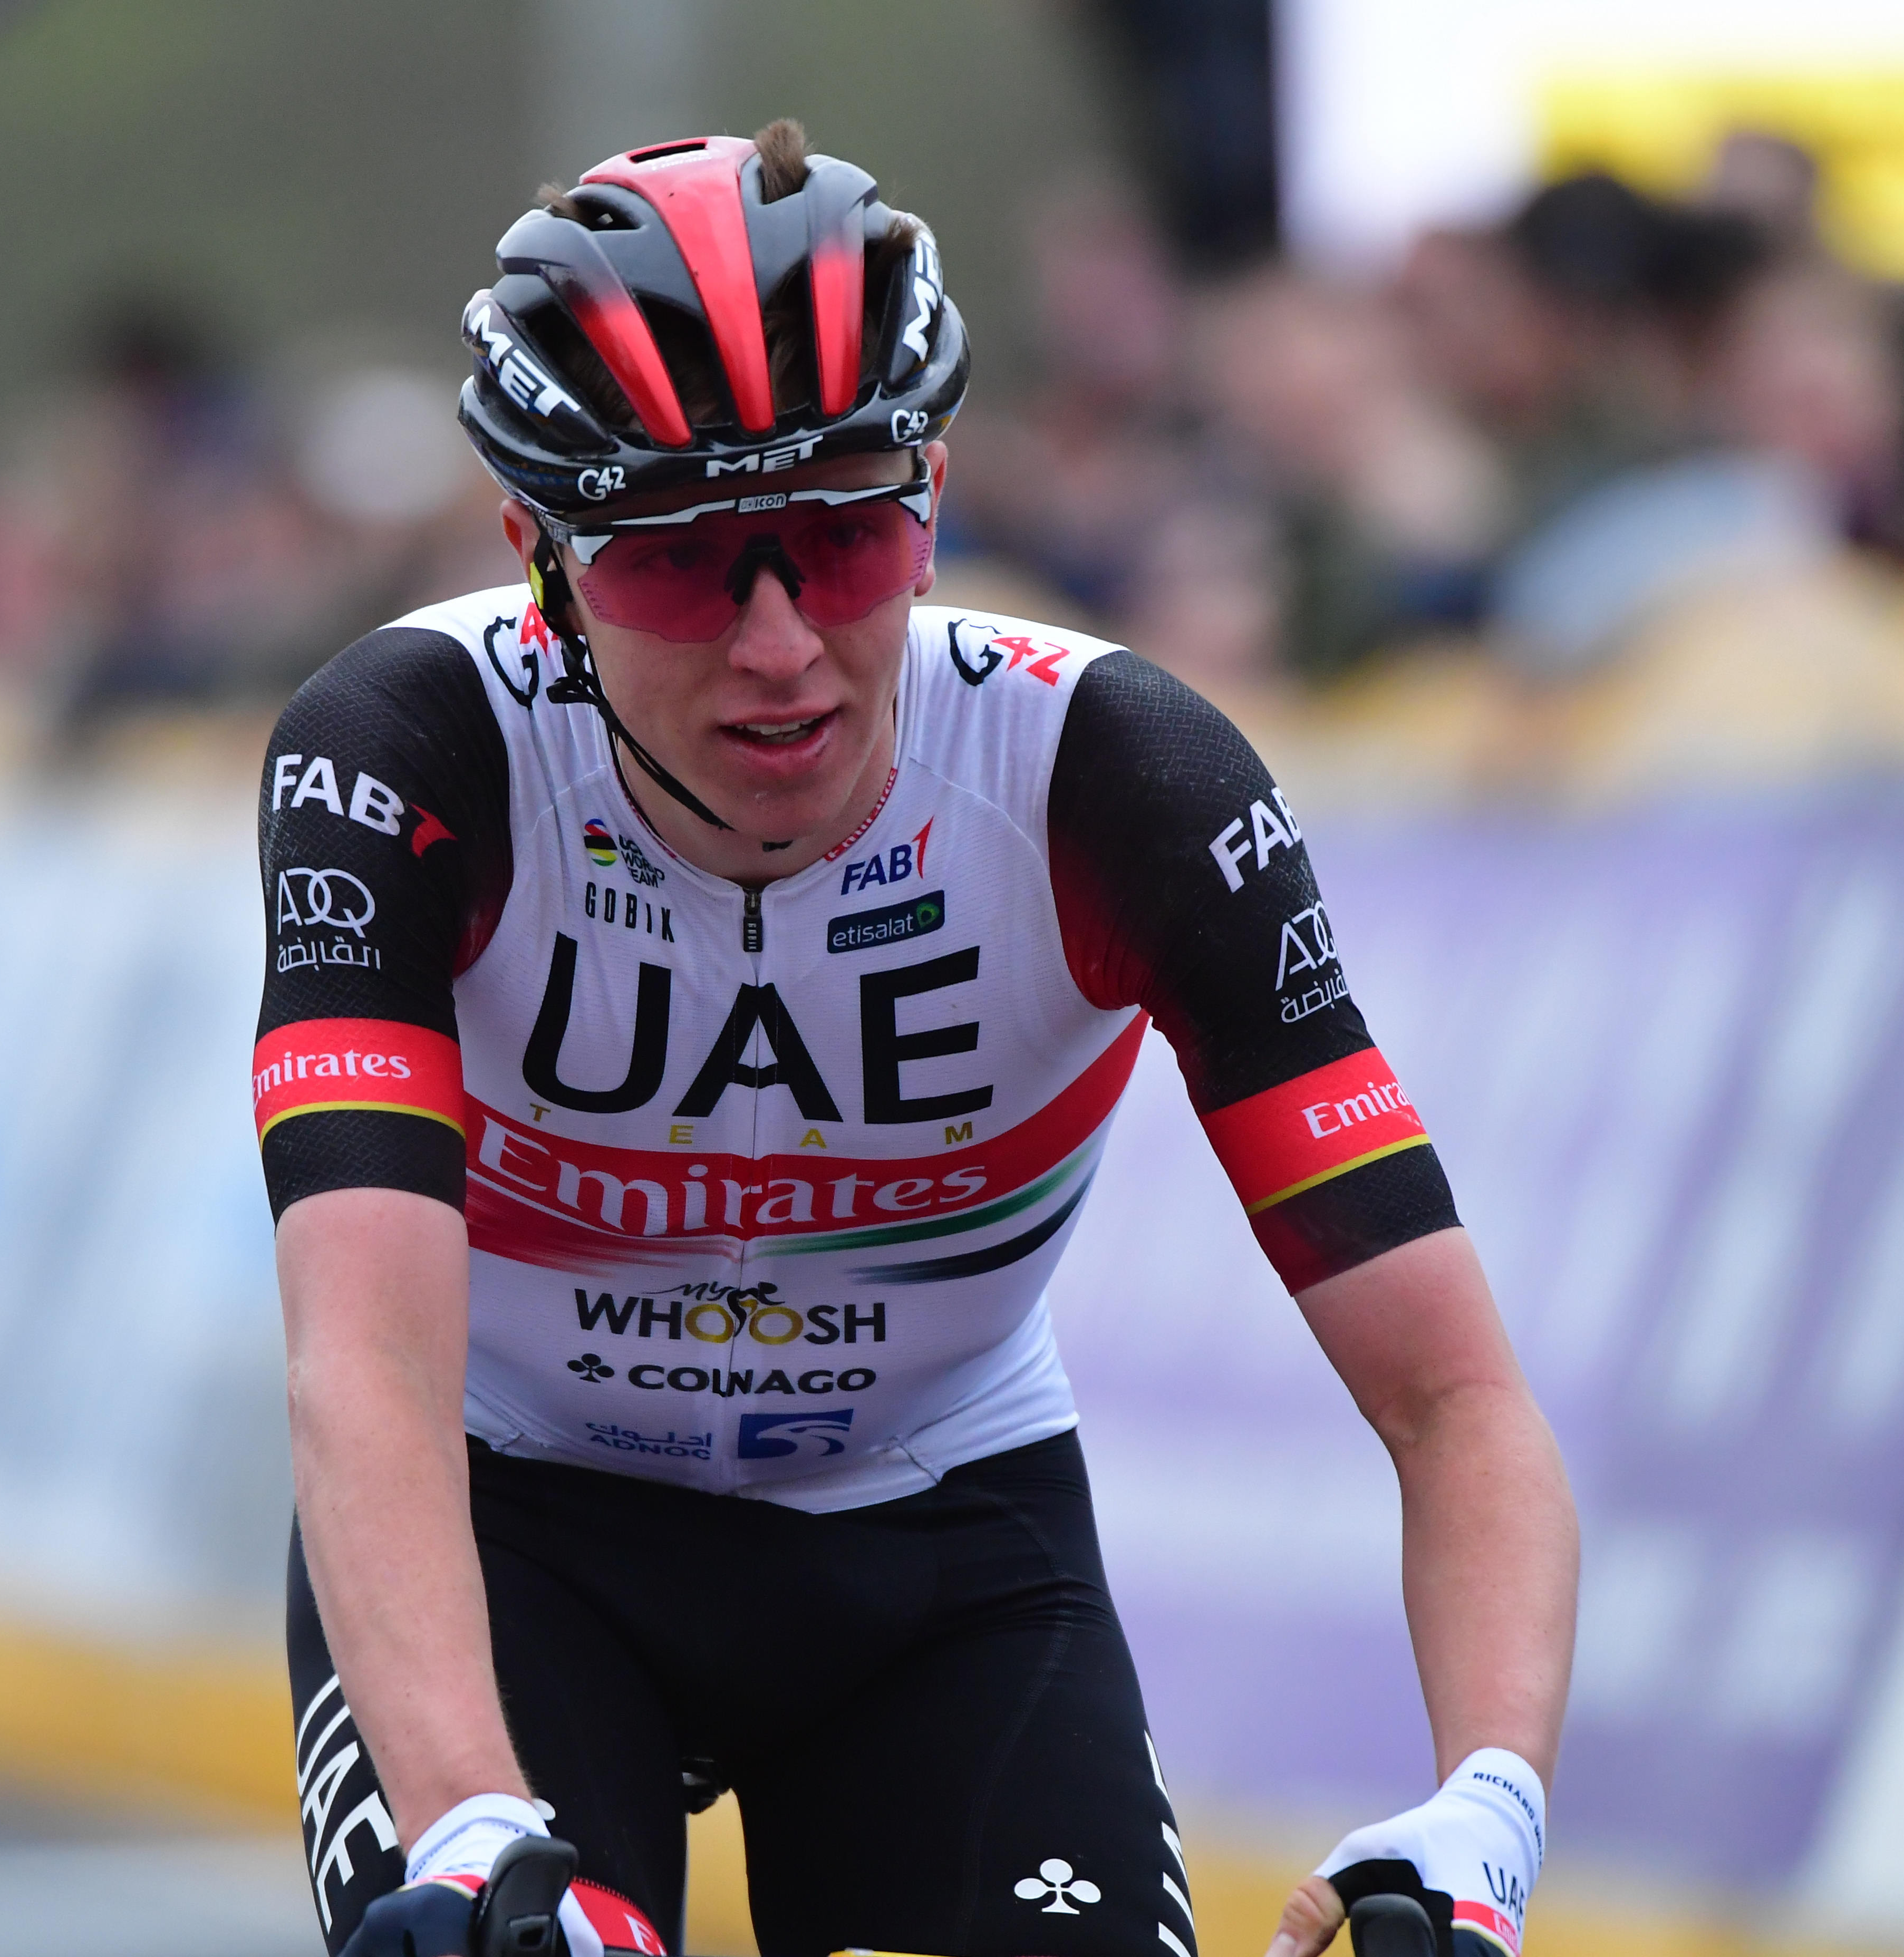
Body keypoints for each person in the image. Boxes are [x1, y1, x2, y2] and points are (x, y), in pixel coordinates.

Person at [258, 121, 1577, 1957]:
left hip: (941, 1537)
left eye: (846, 537)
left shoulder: (1115, 779)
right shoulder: (415, 754)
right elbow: (366, 1368)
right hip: (513, 1527)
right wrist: (475, 1825)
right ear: (539, 564)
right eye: (680, 565)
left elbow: (1456, 1398)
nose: (781, 645)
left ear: (935, 503)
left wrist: (1485, 1810)